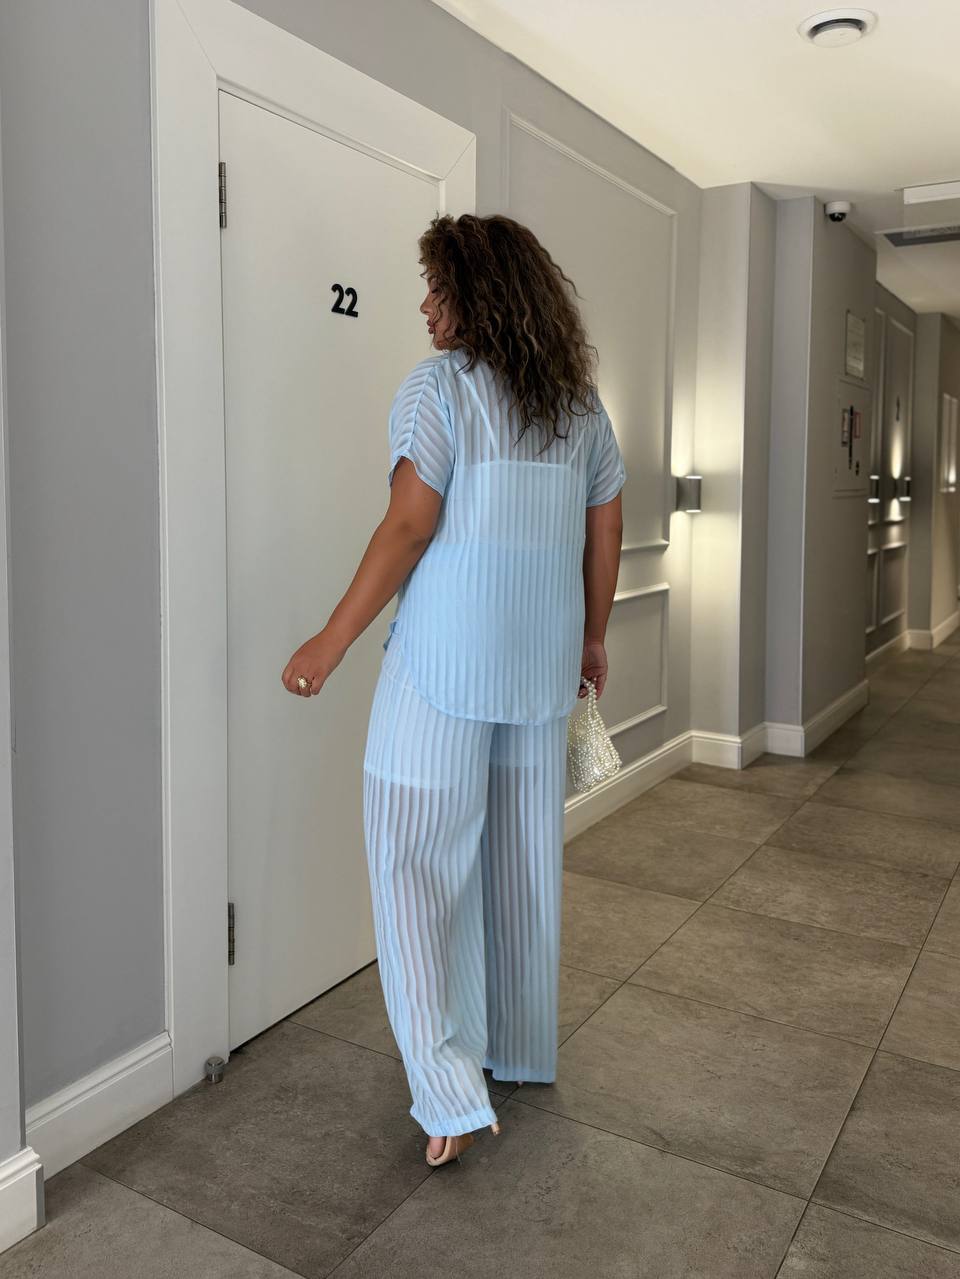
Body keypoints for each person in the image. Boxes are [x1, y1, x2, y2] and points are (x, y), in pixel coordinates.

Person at [281, 213, 625, 1168]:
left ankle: (447, 1091)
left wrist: (331, 641)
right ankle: (513, 1051)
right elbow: (606, 524)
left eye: (439, 287)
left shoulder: (440, 389)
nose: (426, 306)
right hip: (539, 674)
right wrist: (593, 635)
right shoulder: (578, 405)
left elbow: (408, 525)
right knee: (518, 871)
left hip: (440, 674)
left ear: (480, 293)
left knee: (413, 871)